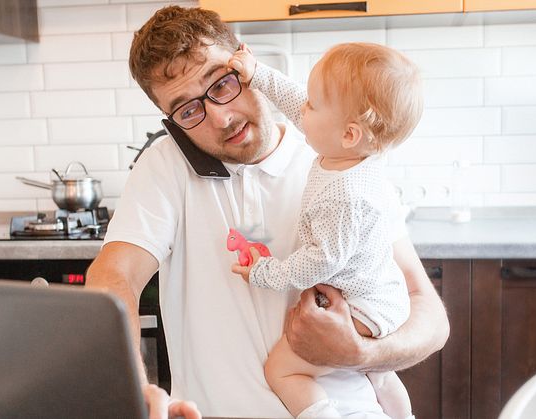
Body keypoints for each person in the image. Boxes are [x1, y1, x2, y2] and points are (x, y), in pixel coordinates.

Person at [84, 5, 450, 419]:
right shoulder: (166, 165)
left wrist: (361, 351)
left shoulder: (340, 159)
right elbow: (114, 276)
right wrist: (133, 391)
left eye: (222, 83)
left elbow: (429, 315)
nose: (221, 117)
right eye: (188, 110)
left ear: (245, 61)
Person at [228, 43, 421, 419]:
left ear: (349, 133)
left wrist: (265, 272)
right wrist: (258, 74)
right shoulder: (347, 152)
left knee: (282, 370)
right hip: (383, 295)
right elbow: (295, 99)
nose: (303, 109)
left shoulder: (344, 196)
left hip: (365, 307)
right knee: (379, 376)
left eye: (313, 104)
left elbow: (322, 262)